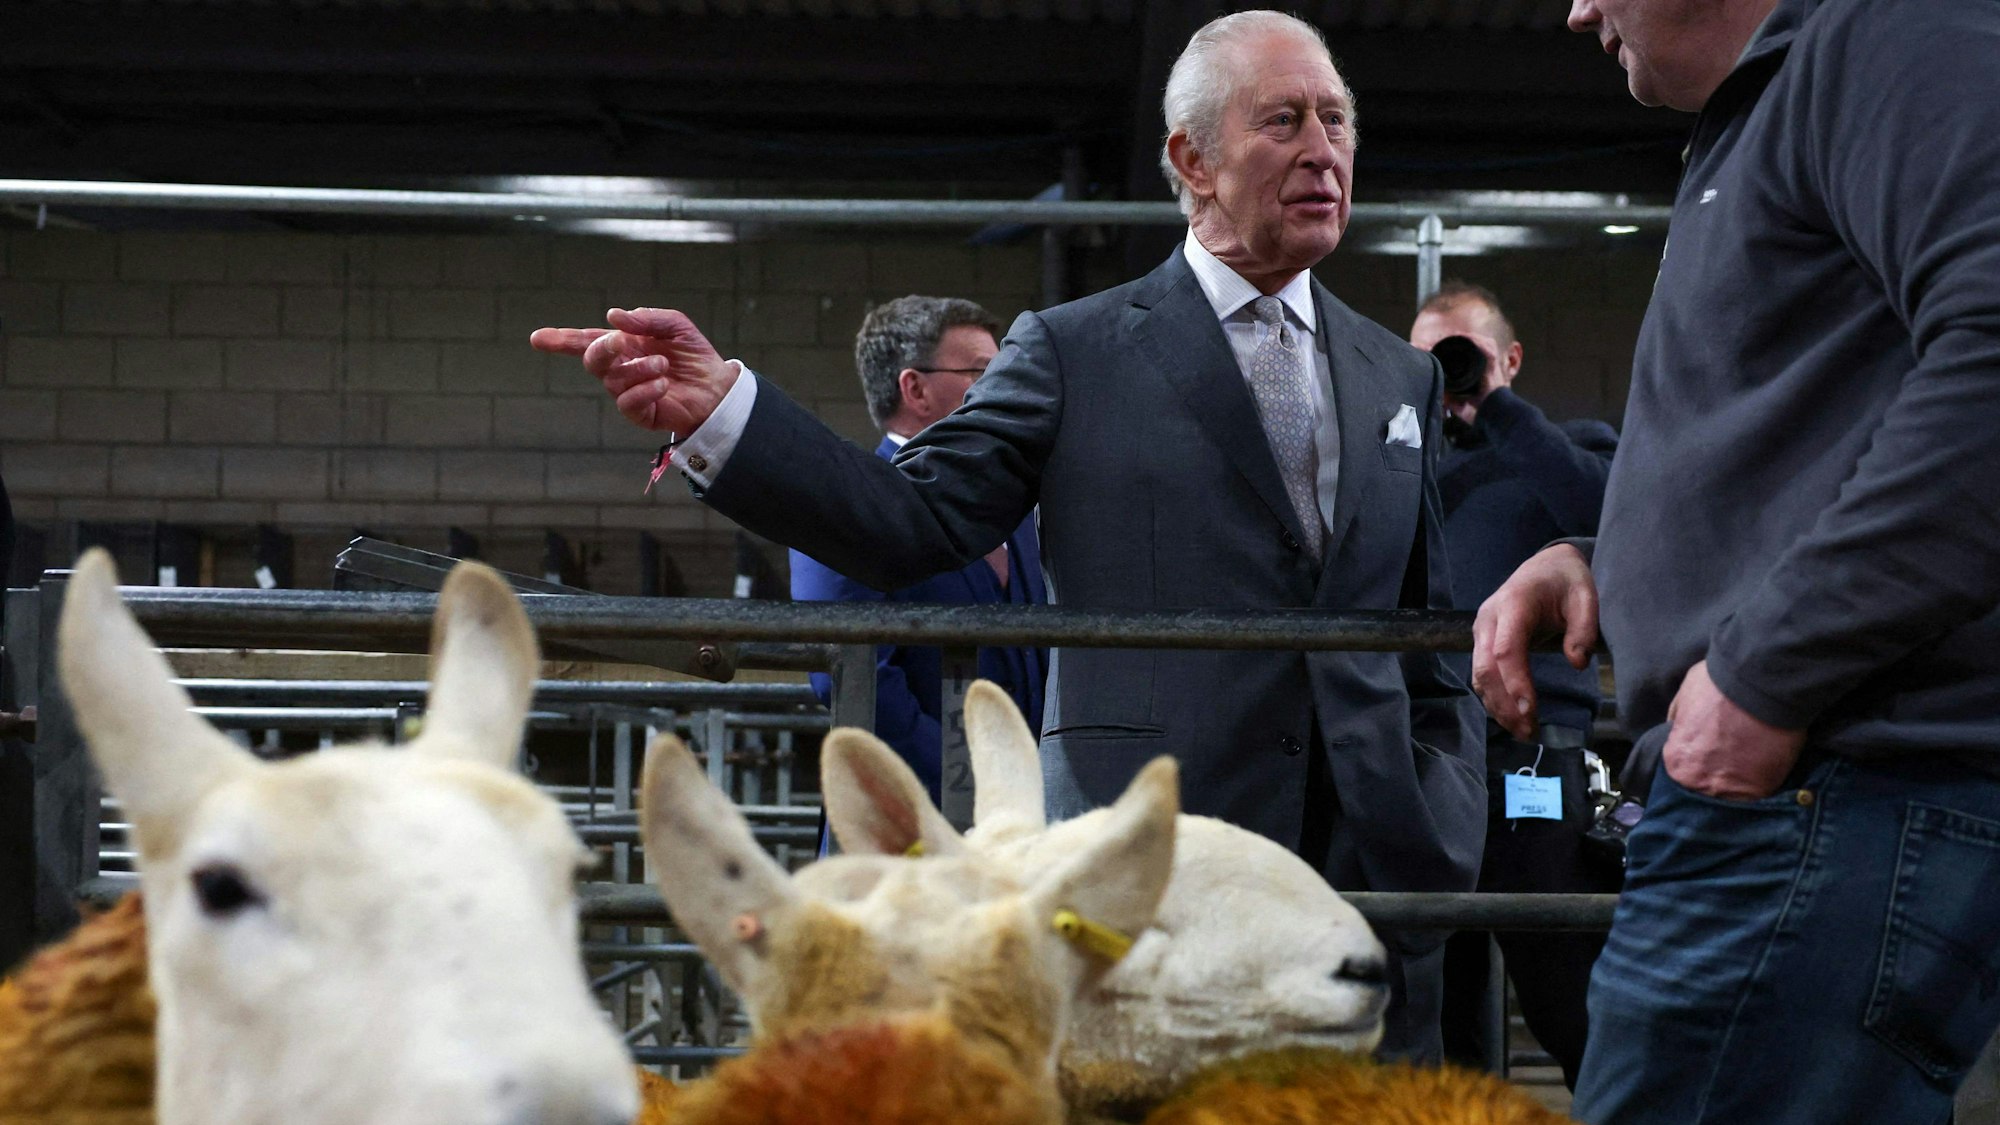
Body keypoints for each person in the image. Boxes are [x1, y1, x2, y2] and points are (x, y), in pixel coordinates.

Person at [533, 9, 1482, 1058]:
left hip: (1373, 859)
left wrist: (1439, 798)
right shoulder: (1075, 351)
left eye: (1336, 120)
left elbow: (1421, 617)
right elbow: (910, 520)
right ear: (1190, 160)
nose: (1322, 150)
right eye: (1283, 121)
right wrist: (726, 415)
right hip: (1146, 869)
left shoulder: (1394, 372)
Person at [1471, 0, 2000, 1121]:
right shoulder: (1774, 105)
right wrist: (1602, 558)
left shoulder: (1885, 38)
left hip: (1822, 789)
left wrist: (1761, 678)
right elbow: (1804, 442)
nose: (1575, 10)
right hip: (1809, 796)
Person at [1409, 282, 1619, 1090]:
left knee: (1562, 975)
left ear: (1511, 359)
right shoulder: (1410, 465)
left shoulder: (1559, 444)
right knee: (1441, 980)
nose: (1448, 373)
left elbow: (1604, 510)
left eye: (1462, 354)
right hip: (1429, 748)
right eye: (1430, 361)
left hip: (1531, 753)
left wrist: (1494, 406)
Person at [789, 296, 1047, 805]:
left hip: (1027, 817)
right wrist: (974, 788)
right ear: (915, 388)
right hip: (913, 823)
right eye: (981, 371)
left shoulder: (1022, 511)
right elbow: (857, 679)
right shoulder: (844, 511)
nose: (1004, 389)